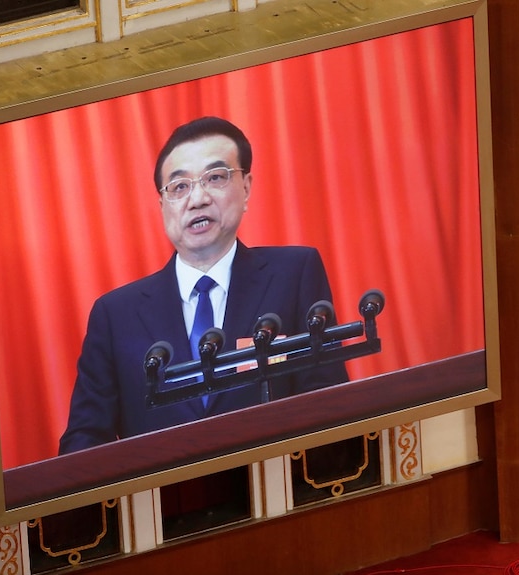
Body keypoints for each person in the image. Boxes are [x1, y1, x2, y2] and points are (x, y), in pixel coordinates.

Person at [59, 117, 349, 454]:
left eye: (215, 178)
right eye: (179, 187)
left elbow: (327, 400)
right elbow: (84, 439)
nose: (197, 199)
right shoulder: (114, 315)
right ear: (162, 205)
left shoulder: (294, 273)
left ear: (246, 188)